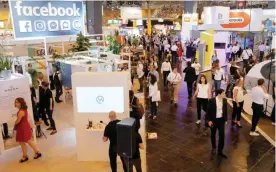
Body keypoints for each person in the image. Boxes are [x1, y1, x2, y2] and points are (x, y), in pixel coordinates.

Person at [14, 97, 42, 163]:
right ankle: (31, 154)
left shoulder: (21, 111)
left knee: (25, 141)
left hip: (22, 127)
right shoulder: (23, 109)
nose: (16, 103)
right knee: (24, 141)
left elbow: (18, 121)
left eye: (17, 102)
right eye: (15, 102)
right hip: (24, 126)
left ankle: (31, 154)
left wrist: (15, 122)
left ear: (21, 103)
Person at [207, 89, 228, 159]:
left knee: (222, 135)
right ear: (219, 94)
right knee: (213, 134)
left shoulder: (224, 101)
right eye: (223, 94)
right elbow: (208, 111)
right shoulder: (212, 100)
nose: (224, 95)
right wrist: (209, 120)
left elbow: (225, 111)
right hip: (214, 120)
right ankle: (214, 147)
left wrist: (225, 119)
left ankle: (220, 151)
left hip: (221, 120)